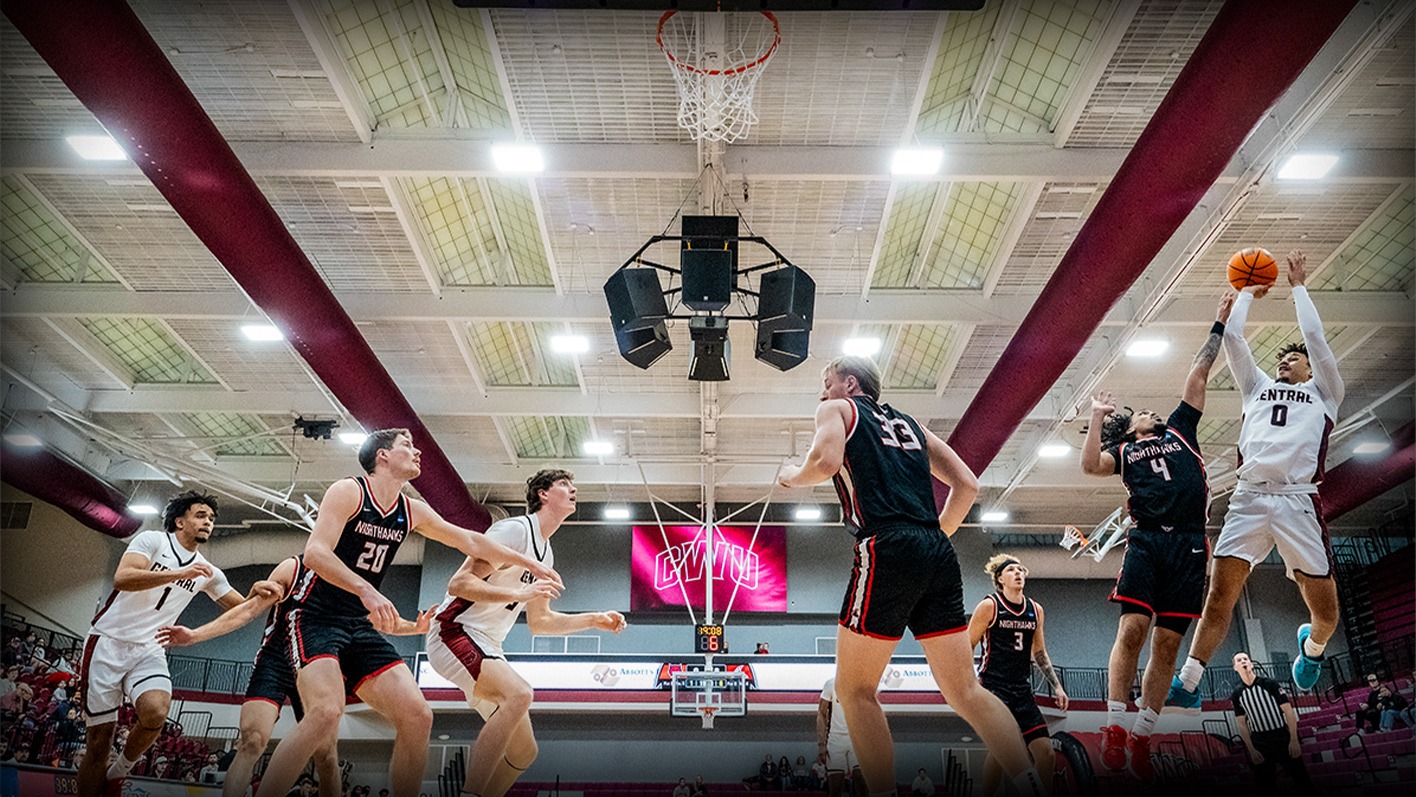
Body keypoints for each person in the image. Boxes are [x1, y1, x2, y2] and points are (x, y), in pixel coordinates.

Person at [779, 356, 1045, 797]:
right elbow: (968, 485)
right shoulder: (912, 426)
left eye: (827, 383)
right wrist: (934, 535)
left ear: (850, 384)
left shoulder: (837, 409)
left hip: (886, 544)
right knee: (965, 691)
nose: (822, 393)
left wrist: (791, 476)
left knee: (854, 690)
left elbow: (825, 463)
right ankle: (1031, 783)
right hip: (936, 550)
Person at [254, 430, 562, 797]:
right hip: (314, 615)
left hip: (357, 623)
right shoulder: (349, 491)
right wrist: (367, 590)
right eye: (407, 445)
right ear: (382, 455)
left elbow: (471, 541)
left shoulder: (411, 509)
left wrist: (529, 562)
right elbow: (315, 554)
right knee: (325, 713)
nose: (417, 452)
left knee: (418, 716)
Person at [1169, 252, 1346, 708]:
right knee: (1219, 595)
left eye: (1293, 359)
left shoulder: (1325, 392)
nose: (1285, 362)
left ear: (1310, 369)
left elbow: (1315, 338)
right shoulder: (1257, 387)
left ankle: (1312, 648)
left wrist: (1298, 286)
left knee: (1326, 615)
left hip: (1298, 502)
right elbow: (1233, 339)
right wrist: (1246, 292)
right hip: (1248, 500)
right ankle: (1188, 682)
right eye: (1281, 359)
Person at [1080, 293, 1232, 778]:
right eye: (1143, 412)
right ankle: (1114, 725)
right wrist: (1097, 416)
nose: (1152, 411)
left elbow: (1199, 374)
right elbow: (1089, 465)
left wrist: (1219, 324)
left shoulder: (1181, 430)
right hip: (1147, 541)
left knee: (1167, 645)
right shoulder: (1124, 453)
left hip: (1190, 543)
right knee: (1132, 630)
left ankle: (1143, 733)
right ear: (1130, 430)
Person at [158, 555, 435, 797]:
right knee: (251, 742)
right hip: (276, 660)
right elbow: (249, 609)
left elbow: (377, 620)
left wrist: (416, 628)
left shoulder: (353, 577)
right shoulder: (294, 567)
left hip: (318, 662)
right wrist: (196, 635)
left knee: (326, 756)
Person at [426, 469, 624, 797]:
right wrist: (518, 593)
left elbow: (540, 622)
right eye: (564, 484)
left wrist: (593, 619)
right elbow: (459, 584)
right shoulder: (514, 530)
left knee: (523, 753)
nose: (573, 489)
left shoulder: (547, 554)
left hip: (488, 643)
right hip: (454, 631)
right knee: (519, 694)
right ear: (543, 494)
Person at [75, 490, 276, 797]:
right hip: (108, 642)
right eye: (201, 515)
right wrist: (179, 573)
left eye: (211, 518)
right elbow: (123, 577)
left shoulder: (207, 571)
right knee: (100, 741)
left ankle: (118, 773)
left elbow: (241, 609)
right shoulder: (152, 541)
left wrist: (258, 594)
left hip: (150, 648)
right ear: (180, 521)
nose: (208, 522)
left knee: (156, 712)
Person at [968, 554, 1068, 794]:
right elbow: (967, 644)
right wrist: (969, 682)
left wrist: (1057, 686)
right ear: (1000, 579)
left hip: (1021, 689)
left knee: (1046, 753)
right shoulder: (990, 606)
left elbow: (1039, 652)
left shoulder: (1035, 610)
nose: (1018, 573)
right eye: (1011, 570)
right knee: (1004, 749)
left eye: (1021, 569)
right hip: (994, 687)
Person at [1230, 652, 1316, 795]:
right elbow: (1241, 724)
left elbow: (1288, 711)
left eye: (1246, 659)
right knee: (1265, 787)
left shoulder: (1270, 684)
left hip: (1281, 737)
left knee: (1303, 781)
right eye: (1239, 660)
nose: (1243, 661)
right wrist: (1251, 749)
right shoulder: (1237, 694)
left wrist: (1294, 740)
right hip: (1260, 742)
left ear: (1251, 664)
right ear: (1235, 667)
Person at [817, 679, 867, 797]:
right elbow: (821, 714)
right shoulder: (831, 684)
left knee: (861, 782)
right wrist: (821, 745)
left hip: (856, 739)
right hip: (835, 739)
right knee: (835, 788)